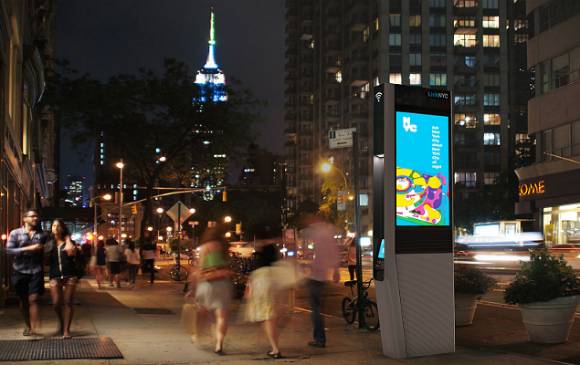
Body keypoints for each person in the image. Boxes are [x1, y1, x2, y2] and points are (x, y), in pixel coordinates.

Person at [186, 226, 232, 355]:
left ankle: (197, 335)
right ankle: (219, 344)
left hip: (207, 283)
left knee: (202, 312)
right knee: (222, 316)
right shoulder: (225, 248)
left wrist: (192, 288)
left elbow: (199, 268)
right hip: (223, 283)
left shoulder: (205, 247)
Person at [300, 211, 340, 348]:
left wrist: (308, 266)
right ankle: (319, 338)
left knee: (316, 308)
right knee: (317, 307)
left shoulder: (319, 233)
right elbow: (333, 252)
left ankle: (319, 338)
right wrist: (335, 271)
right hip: (321, 276)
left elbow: (324, 254)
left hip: (317, 276)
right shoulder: (326, 231)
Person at [5, 209, 46, 337]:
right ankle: (28, 325)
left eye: (36, 216)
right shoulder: (15, 233)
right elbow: (9, 250)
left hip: (36, 270)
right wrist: (29, 248)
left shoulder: (42, 234)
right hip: (19, 270)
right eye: (32, 216)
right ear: (25, 219)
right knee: (23, 301)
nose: (35, 218)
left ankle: (33, 328)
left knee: (33, 299)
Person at [244, 243, 283, 358]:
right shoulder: (275, 266)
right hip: (271, 286)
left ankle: (275, 349)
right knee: (270, 319)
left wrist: (249, 289)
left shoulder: (259, 263)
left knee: (267, 319)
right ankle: (274, 347)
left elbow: (253, 278)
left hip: (261, 287)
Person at [46, 219, 81, 339]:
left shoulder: (70, 242)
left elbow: (72, 253)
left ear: (62, 228)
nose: (55, 227)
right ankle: (61, 323)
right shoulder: (49, 242)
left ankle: (66, 330)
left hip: (70, 275)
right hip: (54, 275)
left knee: (68, 303)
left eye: (58, 225)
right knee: (56, 303)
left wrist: (67, 239)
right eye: (53, 225)